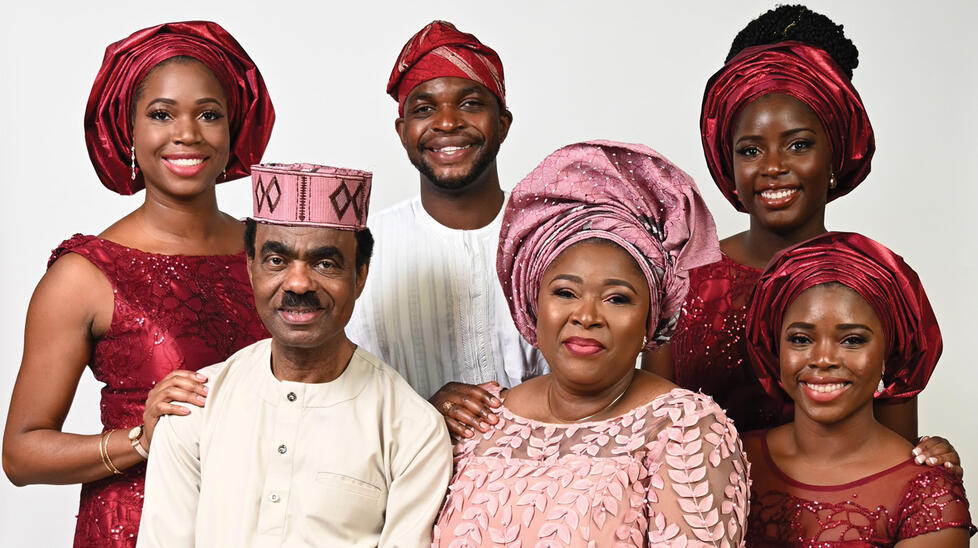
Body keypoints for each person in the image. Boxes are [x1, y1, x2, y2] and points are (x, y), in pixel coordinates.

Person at [643, 4, 959, 471]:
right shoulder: (681, 277)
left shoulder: (880, 282)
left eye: (799, 144)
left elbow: (896, 469)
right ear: (728, 163)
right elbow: (651, 434)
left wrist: (930, 464)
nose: (773, 167)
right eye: (751, 150)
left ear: (836, 152)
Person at [2, 21, 274, 546]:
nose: (188, 133)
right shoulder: (84, 275)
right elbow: (20, 454)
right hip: (135, 527)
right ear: (127, 131)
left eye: (209, 114)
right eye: (161, 114)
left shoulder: (274, 252)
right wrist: (140, 440)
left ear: (234, 129)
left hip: (263, 522)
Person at [433, 140, 748, 546]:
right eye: (565, 292)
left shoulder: (687, 428)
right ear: (533, 303)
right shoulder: (479, 419)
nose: (586, 316)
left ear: (650, 321)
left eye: (617, 298)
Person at [137, 163, 451, 547]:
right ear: (251, 267)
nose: (299, 283)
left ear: (361, 274)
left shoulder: (413, 429)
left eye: (325, 263)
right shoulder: (195, 405)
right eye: (276, 261)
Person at [346, 20, 546, 439]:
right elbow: (341, 400)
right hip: (403, 492)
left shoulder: (554, 237)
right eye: (424, 109)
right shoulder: (361, 249)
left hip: (550, 487)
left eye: (471, 104)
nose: (448, 123)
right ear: (403, 133)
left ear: (503, 123)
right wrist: (422, 414)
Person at [741, 231, 974, 546]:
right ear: (775, 348)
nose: (823, 359)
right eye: (800, 339)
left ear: (887, 353)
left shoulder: (927, 493)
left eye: (852, 340)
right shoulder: (732, 458)